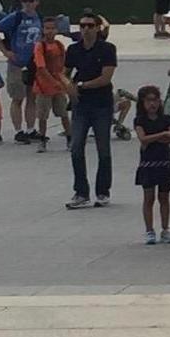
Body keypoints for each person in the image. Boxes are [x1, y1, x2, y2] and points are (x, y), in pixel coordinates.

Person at [64, 11, 119, 210]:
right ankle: (81, 192)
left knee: (103, 149)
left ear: (97, 28)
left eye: (89, 26)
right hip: (81, 106)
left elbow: (106, 78)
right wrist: (68, 86)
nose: (85, 29)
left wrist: (81, 85)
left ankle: (103, 191)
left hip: (101, 105)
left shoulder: (107, 49)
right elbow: (64, 73)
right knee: (76, 147)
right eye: (82, 26)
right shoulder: (73, 49)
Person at [0, 0, 44, 144]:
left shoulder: (39, 18)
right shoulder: (16, 17)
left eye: (31, 0)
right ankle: (18, 130)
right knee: (17, 98)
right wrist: (6, 51)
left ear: (37, 2)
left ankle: (30, 128)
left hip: (34, 63)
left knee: (32, 97)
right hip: (17, 63)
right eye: (25, 0)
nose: (28, 3)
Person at [132, 87, 170, 244]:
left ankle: (165, 229)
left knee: (164, 197)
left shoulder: (166, 119)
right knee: (149, 197)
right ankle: (149, 230)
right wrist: (162, 135)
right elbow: (143, 139)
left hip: (164, 162)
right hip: (148, 164)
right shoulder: (140, 120)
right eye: (148, 100)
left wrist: (156, 137)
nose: (152, 103)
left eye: (155, 100)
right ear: (142, 103)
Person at [30, 22, 72, 153]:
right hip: (44, 87)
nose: (50, 31)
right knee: (42, 115)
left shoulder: (59, 45)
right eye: (47, 28)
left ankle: (70, 139)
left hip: (59, 86)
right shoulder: (39, 46)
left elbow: (66, 63)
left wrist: (64, 79)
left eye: (53, 28)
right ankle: (42, 140)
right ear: (43, 30)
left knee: (64, 113)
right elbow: (41, 67)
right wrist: (54, 81)